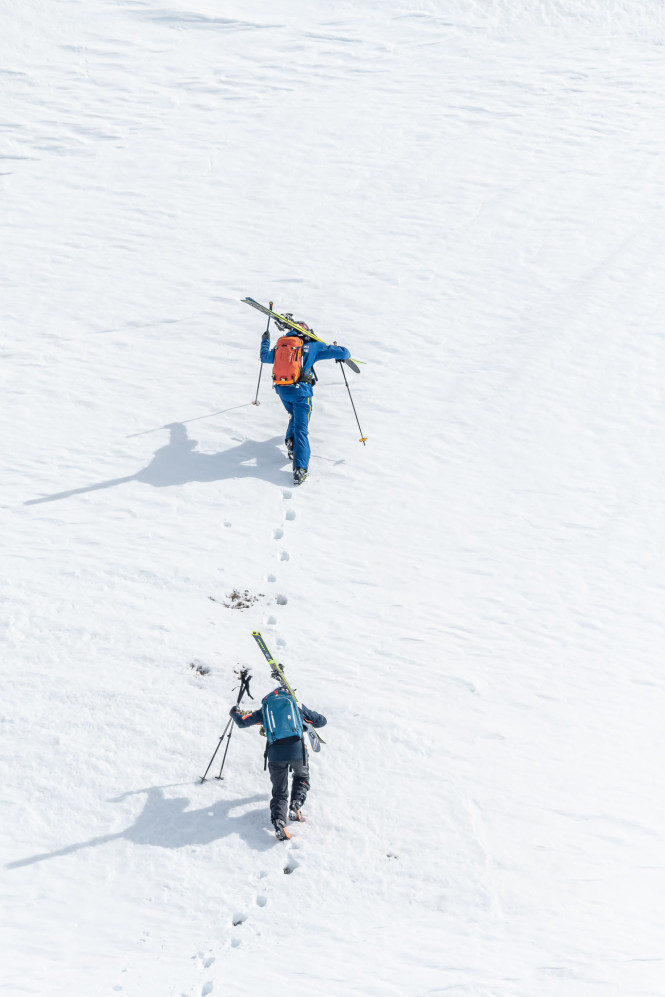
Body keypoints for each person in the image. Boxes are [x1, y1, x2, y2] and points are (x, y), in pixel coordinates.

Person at [260, 318, 350, 485]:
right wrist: (338, 349)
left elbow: (265, 357)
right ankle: (300, 468)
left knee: (293, 414)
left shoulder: (282, 344)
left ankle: (290, 441)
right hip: (301, 392)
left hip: (282, 389)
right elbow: (344, 353)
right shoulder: (313, 346)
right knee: (301, 428)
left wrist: (265, 341)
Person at [229, 691, 327, 840]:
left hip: (275, 755)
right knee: (301, 776)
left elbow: (243, 722)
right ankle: (296, 805)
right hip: (297, 751)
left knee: (279, 793)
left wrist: (234, 713)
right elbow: (321, 721)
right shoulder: (296, 706)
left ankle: (279, 823)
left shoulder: (266, 710)